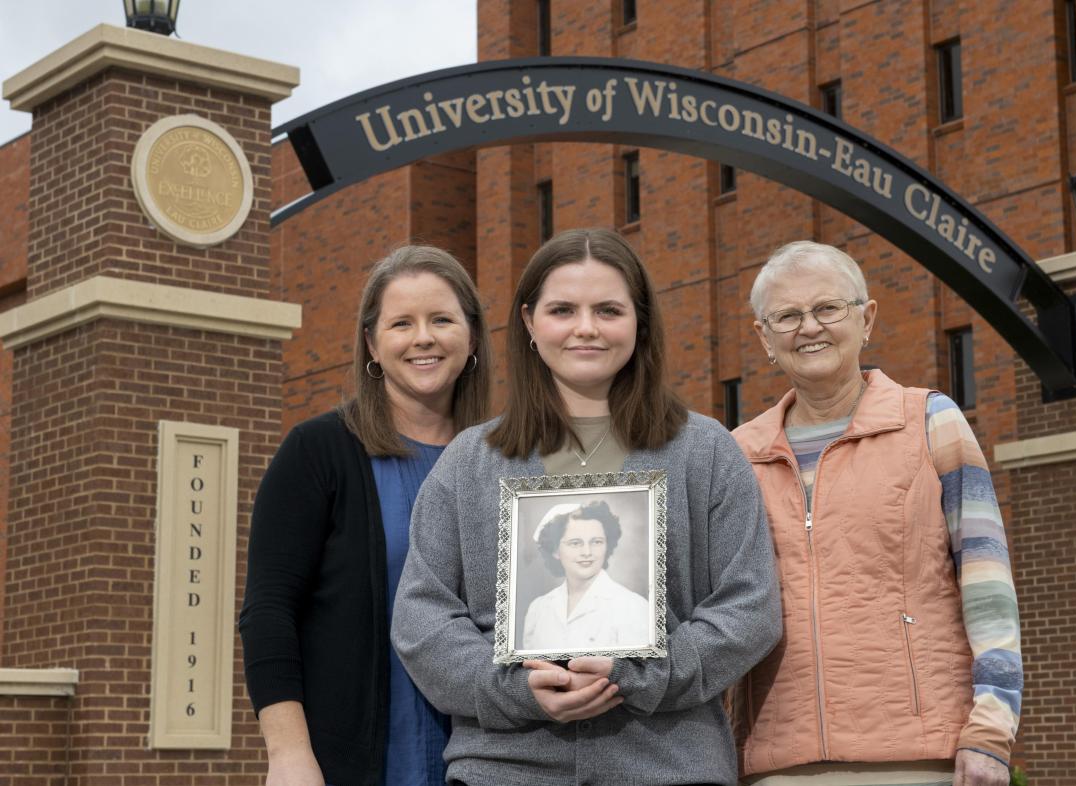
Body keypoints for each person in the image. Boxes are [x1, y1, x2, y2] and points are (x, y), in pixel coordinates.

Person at [392, 227, 782, 786]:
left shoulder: (705, 451)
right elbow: (422, 616)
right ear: (529, 322)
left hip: (667, 766)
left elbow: (750, 606)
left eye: (608, 310)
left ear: (639, 322)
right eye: (562, 310)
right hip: (506, 769)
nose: (585, 328)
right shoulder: (470, 462)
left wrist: (643, 675)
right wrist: (513, 689)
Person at [729, 241, 1022, 786]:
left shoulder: (931, 421)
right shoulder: (737, 453)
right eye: (787, 316)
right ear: (763, 338)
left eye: (827, 309)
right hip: (778, 761)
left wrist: (992, 727)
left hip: (916, 756)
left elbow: (988, 586)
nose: (808, 327)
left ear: (866, 320)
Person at [238, 246, 492, 786]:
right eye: (402, 323)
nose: (423, 337)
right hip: (351, 761)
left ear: (471, 337)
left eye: (441, 319)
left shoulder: (508, 460)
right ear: (373, 344)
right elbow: (268, 612)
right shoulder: (317, 451)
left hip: (491, 759)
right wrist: (287, 754)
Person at [521, 500, 651, 651]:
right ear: (555, 550)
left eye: (596, 542)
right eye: (575, 543)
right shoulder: (538, 609)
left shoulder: (632, 606)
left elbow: (639, 671)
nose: (587, 552)